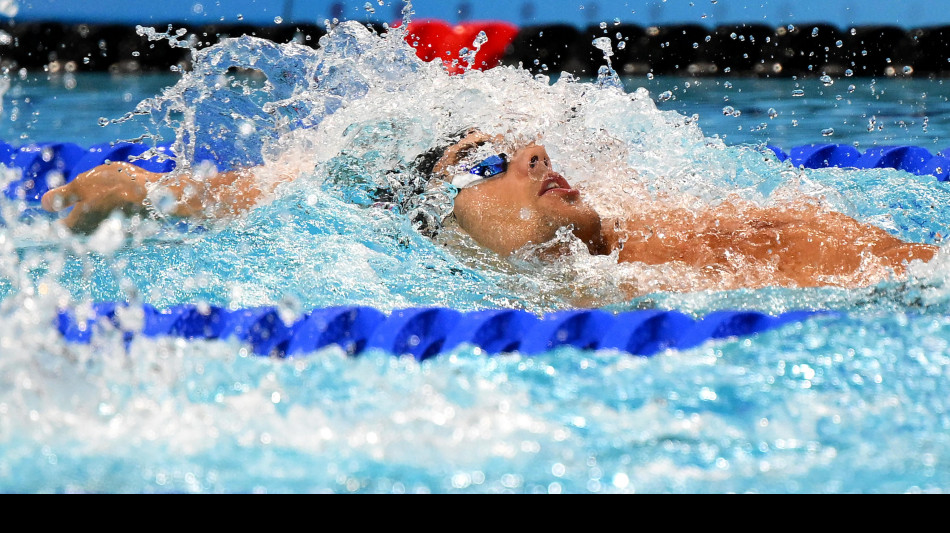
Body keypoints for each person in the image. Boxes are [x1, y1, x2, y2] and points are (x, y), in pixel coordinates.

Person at [40, 128, 940, 292]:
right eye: (492, 162)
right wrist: (114, 192)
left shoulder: (681, 233)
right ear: (432, 218)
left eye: (531, 147)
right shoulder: (368, 244)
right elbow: (118, 186)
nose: (536, 156)